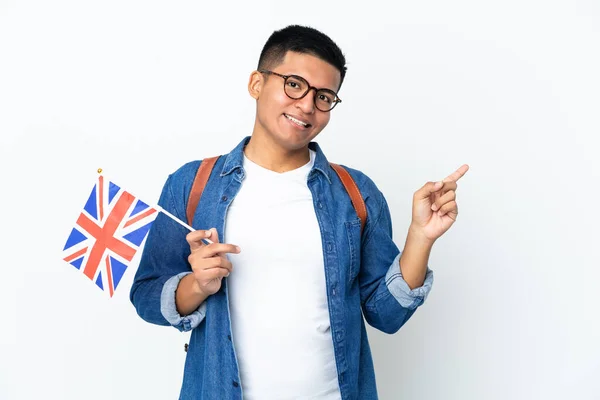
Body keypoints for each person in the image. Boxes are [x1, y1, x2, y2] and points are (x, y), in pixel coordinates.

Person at [130, 24, 468, 400]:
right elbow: (146, 296)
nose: (307, 105)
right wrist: (197, 285)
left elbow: (385, 316)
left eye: (324, 96)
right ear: (257, 84)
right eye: (294, 84)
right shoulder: (193, 185)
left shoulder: (356, 194)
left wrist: (420, 237)